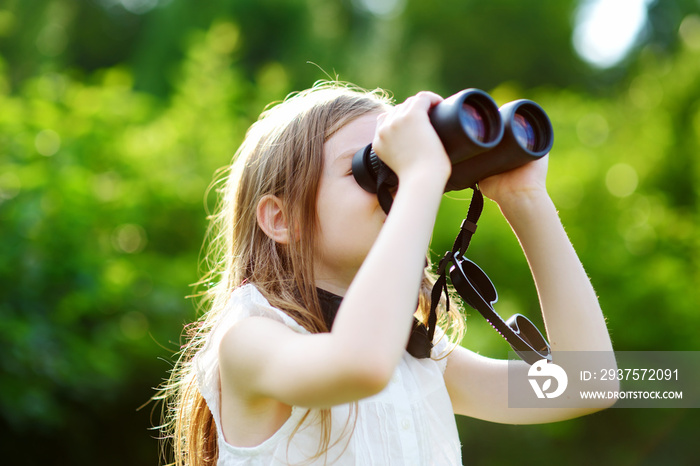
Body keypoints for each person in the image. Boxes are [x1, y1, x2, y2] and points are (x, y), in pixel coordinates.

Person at [159, 81, 616, 466]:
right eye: (371, 167)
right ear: (281, 219)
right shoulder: (250, 341)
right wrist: (419, 174)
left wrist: (525, 198)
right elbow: (359, 363)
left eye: (400, 164)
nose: (398, 182)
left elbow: (588, 385)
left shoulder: (416, 356)